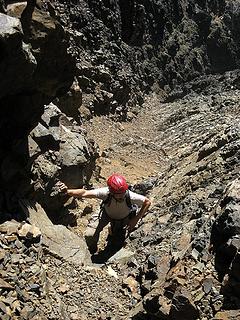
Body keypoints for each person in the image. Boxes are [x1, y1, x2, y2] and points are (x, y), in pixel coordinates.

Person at [58, 173, 151, 254]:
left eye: (122, 193)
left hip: (122, 218)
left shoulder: (130, 196)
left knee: (117, 243)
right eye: (117, 194)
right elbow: (84, 193)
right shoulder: (105, 193)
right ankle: (92, 250)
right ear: (111, 192)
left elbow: (147, 202)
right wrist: (68, 191)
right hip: (105, 214)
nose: (121, 196)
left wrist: (136, 219)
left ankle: (111, 235)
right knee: (90, 235)